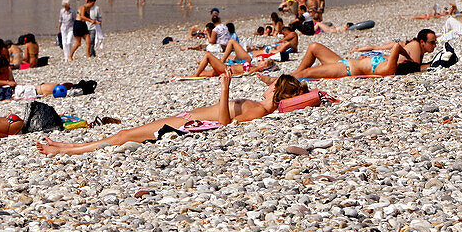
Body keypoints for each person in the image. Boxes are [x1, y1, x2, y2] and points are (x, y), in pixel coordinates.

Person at [36, 73, 310, 156]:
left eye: (274, 83)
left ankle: (67, 150)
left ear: (277, 91)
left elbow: (226, 122)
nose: (270, 82)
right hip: (187, 118)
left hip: (188, 123)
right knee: (125, 134)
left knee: (123, 135)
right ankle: (71, 146)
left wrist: (225, 88)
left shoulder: (260, 108)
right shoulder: (264, 104)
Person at [266, 30, 437, 80]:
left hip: (346, 69)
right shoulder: (387, 63)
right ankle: (290, 77)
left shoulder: (390, 68)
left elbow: (396, 47)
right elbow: (396, 48)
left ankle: (280, 80)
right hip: (345, 62)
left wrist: (407, 58)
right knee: (313, 46)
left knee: (306, 74)